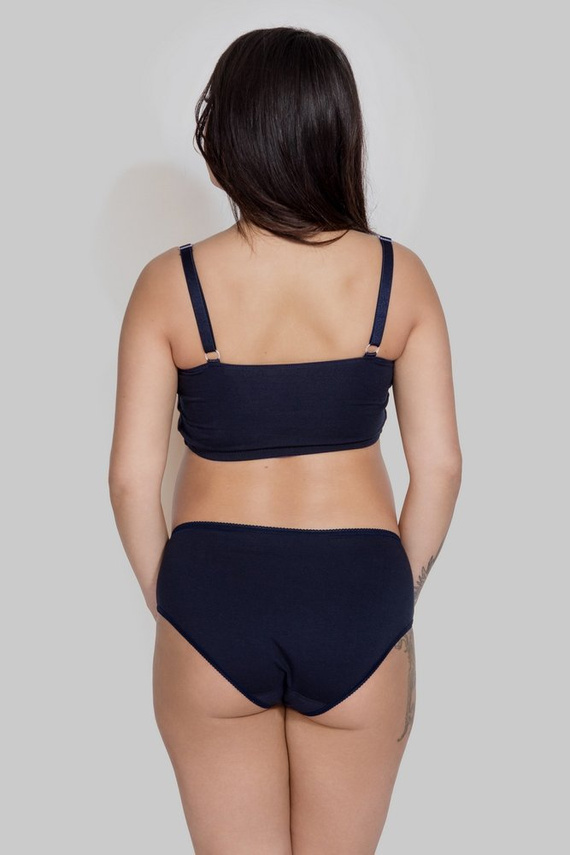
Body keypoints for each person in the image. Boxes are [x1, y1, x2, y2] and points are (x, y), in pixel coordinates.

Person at [108, 25, 462, 855]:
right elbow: (441, 468)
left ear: (228, 140)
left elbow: (129, 481)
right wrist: (394, 595)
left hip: (212, 593)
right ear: (338, 134)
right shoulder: (398, 277)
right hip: (358, 595)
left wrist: (176, 606)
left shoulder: (170, 283)